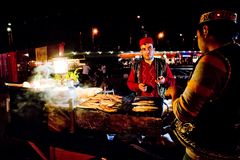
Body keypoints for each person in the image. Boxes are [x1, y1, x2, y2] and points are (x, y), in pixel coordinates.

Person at [167, 10, 240, 159]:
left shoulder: (212, 61)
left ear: (205, 30)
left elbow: (184, 113)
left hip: (208, 150)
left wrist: (174, 93)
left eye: (197, 35)